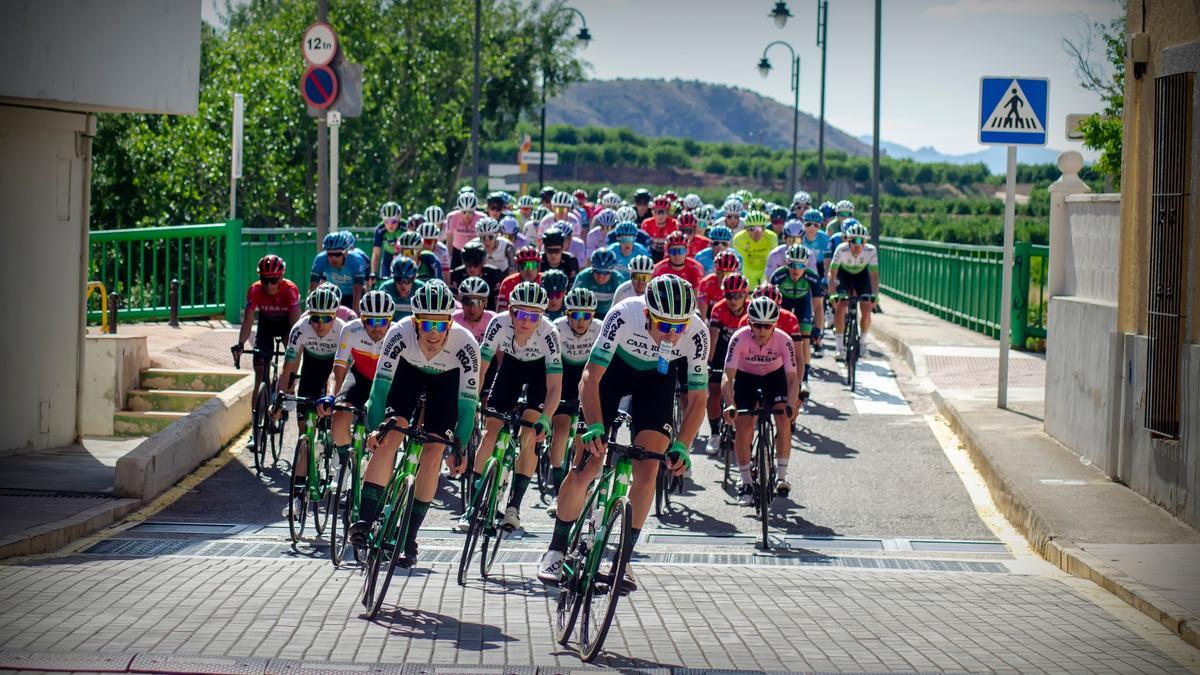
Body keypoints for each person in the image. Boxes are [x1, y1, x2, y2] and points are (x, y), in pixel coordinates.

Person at [537, 275, 706, 588]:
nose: (672, 334)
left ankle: (622, 558)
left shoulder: (696, 332)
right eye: (664, 325)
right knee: (586, 466)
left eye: (679, 326)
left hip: (658, 381)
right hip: (612, 375)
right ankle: (556, 548)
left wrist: (683, 445)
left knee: (649, 468)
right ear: (646, 315)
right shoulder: (623, 313)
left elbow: (698, 399)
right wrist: (596, 425)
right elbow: (589, 376)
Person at [348, 281, 480, 568]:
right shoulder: (399, 333)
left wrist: (459, 445)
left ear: (450, 322)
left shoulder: (466, 344)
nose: (433, 333)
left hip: (446, 383)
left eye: (440, 324)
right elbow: (379, 391)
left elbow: (468, 404)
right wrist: (374, 429)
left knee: (433, 454)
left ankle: (410, 536)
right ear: (415, 321)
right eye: (426, 324)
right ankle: (365, 520)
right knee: (390, 433)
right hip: (407, 375)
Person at [460, 282, 561, 533]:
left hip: (539, 374)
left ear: (542, 317)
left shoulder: (550, 334)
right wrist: (472, 400)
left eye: (534, 316)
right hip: (511, 369)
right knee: (490, 430)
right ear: (512, 312)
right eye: (521, 314)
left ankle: (513, 507)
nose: (526, 321)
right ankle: (473, 505)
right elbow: (481, 367)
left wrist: (546, 418)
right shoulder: (498, 323)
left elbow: (555, 387)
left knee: (529, 436)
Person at [273, 285, 345, 510]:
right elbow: (288, 368)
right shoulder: (301, 327)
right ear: (309, 316)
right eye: (316, 318)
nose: (320, 324)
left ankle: (333, 451)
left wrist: (334, 398)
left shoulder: (343, 330)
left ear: (335, 316)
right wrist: (279, 399)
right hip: (311, 372)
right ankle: (296, 497)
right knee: (305, 435)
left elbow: (339, 373)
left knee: (334, 418)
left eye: (326, 318)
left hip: (335, 371)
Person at [722, 296, 799, 502]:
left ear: (774, 324)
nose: (762, 331)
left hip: (775, 378)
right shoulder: (739, 338)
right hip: (747, 378)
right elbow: (727, 376)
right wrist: (730, 403)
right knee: (744, 427)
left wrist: (791, 403)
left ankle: (781, 477)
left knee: (783, 419)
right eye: (757, 325)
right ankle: (746, 481)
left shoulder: (784, 340)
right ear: (750, 323)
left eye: (767, 326)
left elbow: (792, 378)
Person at [544, 287, 601, 519]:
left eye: (586, 315)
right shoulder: (556, 328)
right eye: (576, 315)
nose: (581, 321)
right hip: (564, 375)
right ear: (567, 315)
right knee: (560, 428)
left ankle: (579, 484)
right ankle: (558, 489)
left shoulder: (599, 329)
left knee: (581, 440)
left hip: (587, 376)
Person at [235, 255, 301, 450]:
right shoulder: (255, 290)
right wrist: (239, 344)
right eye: (265, 280)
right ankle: (255, 431)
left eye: (273, 280)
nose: (269, 285)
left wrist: (293, 359)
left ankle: (287, 385)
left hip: (285, 325)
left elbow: (296, 327)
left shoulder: (290, 290)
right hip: (266, 325)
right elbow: (248, 322)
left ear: (281, 278)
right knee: (259, 374)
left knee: (292, 354)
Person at [324, 290, 395, 470]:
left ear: (390, 320)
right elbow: (337, 371)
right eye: (371, 321)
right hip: (360, 377)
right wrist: (331, 397)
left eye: (383, 322)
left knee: (384, 434)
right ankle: (348, 464)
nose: (377, 327)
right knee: (338, 419)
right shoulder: (350, 330)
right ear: (362, 319)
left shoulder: (397, 333)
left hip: (388, 383)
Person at [705, 273, 749, 451]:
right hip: (721, 352)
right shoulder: (719, 308)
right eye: (729, 295)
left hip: (743, 353)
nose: (733, 300)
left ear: (745, 295)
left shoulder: (751, 309)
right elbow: (713, 338)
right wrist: (708, 364)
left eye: (738, 295)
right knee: (714, 391)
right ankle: (715, 433)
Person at [769, 245, 820, 396]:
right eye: (792, 265)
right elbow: (770, 302)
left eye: (800, 265)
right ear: (786, 263)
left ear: (806, 265)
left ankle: (804, 380)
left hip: (803, 304)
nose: (795, 269)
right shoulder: (778, 276)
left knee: (804, 338)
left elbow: (817, 306)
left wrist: (818, 328)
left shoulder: (812, 277)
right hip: (782, 304)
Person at [828, 222, 879, 361]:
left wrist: (875, 294)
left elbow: (874, 276)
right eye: (853, 241)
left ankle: (862, 343)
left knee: (867, 307)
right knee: (841, 304)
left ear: (865, 242)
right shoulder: (841, 249)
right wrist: (832, 293)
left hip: (861, 277)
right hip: (843, 276)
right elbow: (832, 273)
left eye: (861, 241)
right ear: (847, 241)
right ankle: (839, 347)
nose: (857, 244)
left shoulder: (871, 250)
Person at [799, 208, 831, 356]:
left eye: (816, 225)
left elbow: (827, 261)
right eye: (808, 224)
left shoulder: (824, 239)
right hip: (801, 267)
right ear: (803, 224)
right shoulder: (798, 237)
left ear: (821, 226)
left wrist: (825, 279)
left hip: (819, 266)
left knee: (819, 303)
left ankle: (819, 341)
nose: (812, 228)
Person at [310, 231, 368, 311]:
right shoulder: (320, 259)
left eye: (337, 254)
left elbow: (357, 292)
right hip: (332, 294)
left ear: (346, 253)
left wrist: (356, 313)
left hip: (352, 295)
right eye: (329, 254)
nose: (333, 258)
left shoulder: (355, 260)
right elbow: (313, 288)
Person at [450, 241, 505, 311]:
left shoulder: (494, 274)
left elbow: (498, 303)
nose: (472, 268)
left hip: (489, 313)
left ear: (483, 263)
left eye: (476, 263)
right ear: (463, 262)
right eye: (468, 264)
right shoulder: (457, 273)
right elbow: (453, 301)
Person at [571, 249, 626, 317]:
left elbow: (624, 305)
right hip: (586, 313)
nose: (601, 276)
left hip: (609, 314)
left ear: (612, 271)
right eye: (597, 271)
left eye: (605, 272)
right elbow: (572, 300)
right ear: (592, 268)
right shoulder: (583, 277)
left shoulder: (618, 279)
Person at [731, 211, 779, 286]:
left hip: (764, 270)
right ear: (746, 229)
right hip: (747, 269)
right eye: (751, 229)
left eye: (760, 228)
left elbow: (773, 261)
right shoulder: (738, 238)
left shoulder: (772, 237)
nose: (757, 233)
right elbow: (739, 261)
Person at [696, 250, 740, 318]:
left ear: (735, 272)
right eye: (720, 273)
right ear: (715, 270)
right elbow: (702, 314)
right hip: (710, 316)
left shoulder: (740, 284)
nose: (723, 277)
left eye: (728, 274)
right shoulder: (707, 282)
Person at [377, 256, 424, 320]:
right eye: (398, 279)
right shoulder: (385, 289)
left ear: (415, 278)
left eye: (408, 280)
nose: (403, 285)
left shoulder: (421, 290)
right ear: (393, 278)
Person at [452, 277, 496, 343]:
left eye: (477, 302)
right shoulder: (453, 320)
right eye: (467, 302)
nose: (472, 308)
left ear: (485, 302)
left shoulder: (493, 321)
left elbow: (499, 352)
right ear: (461, 302)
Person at [497, 246, 541, 311]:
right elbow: (501, 311)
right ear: (518, 268)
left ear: (538, 267)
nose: (528, 270)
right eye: (524, 266)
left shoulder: (545, 280)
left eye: (532, 265)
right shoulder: (508, 282)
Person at [445, 191, 482, 268]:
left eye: (470, 212)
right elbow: (449, 242)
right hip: (457, 251)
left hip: (475, 252)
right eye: (464, 212)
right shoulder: (451, 217)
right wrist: (448, 260)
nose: (467, 215)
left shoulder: (481, 218)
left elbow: (483, 241)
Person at [371, 202, 404, 279]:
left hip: (404, 256)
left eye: (394, 221)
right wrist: (373, 273)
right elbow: (376, 254)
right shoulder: (380, 229)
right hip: (387, 256)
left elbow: (414, 251)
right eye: (386, 221)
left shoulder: (406, 227)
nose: (390, 225)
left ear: (399, 219)